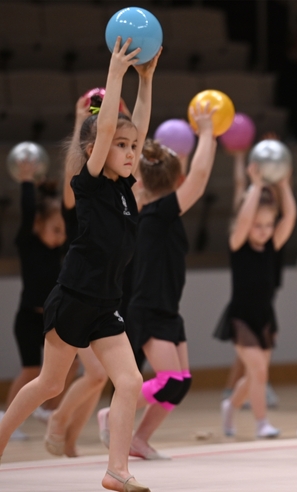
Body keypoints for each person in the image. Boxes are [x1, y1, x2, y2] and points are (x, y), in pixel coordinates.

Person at [0, 38, 159, 492]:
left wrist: (146, 81)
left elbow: (137, 127)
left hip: (106, 304)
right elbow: (105, 128)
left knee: (128, 382)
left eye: (133, 147)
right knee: (49, 384)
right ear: (97, 148)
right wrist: (115, 73)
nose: (130, 151)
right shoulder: (88, 185)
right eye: (120, 145)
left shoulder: (127, 188)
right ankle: (2, 436)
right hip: (73, 297)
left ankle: (116, 470)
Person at [96, 102, 218, 460]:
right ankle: (112, 412)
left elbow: (179, 177)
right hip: (149, 308)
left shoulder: (152, 207)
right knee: (169, 381)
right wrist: (208, 132)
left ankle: (139, 440)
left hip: (165, 308)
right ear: (173, 180)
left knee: (181, 384)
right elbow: (197, 180)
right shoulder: (156, 212)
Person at [44, 95, 110, 459]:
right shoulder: (82, 189)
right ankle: (57, 421)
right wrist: (80, 119)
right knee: (92, 374)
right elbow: (73, 173)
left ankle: (68, 443)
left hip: (108, 286)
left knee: (99, 378)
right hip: (78, 288)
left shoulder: (117, 184)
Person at [218, 160, 297, 439]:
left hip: (265, 316)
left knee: (255, 374)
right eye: (257, 224)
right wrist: (258, 185)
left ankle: (231, 405)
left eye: (267, 224)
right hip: (241, 316)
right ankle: (261, 422)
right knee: (259, 370)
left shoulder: (272, 245)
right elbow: (243, 219)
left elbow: (289, 218)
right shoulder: (238, 243)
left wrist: (284, 185)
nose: (263, 229)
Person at [1, 164, 66, 442]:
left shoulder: (60, 249)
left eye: (63, 231)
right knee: (30, 370)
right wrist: (27, 183)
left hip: (50, 318)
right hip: (28, 318)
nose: (60, 236)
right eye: (55, 229)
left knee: (68, 365)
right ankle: (6, 416)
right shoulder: (28, 243)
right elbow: (28, 213)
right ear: (39, 225)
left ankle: (44, 410)